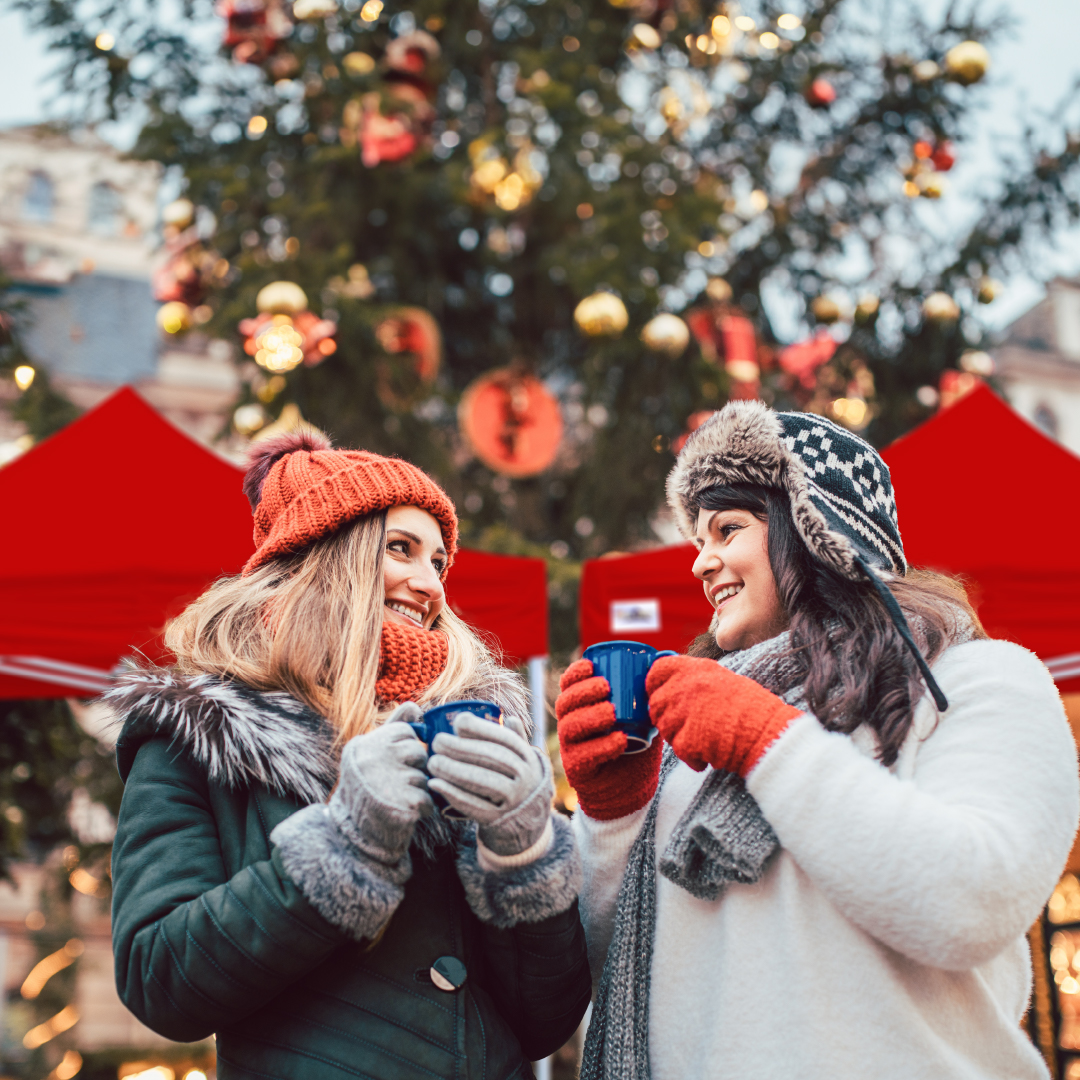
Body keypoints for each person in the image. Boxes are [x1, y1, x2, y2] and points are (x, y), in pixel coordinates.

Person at [557, 400, 1079, 1080]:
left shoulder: (978, 679)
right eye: (698, 542)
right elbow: (624, 968)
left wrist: (770, 743)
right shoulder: (703, 733)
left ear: (814, 530)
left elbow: (971, 901)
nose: (701, 563)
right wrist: (614, 815)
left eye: (727, 530)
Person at [106, 430, 590, 1080]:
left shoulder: (481, 732)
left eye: (439, 563)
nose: (429, 585)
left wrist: (524, 852)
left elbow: (544, 1023)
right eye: (401, 549)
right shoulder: (201, 733)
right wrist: (343, 847)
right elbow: (159, 980)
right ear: (327, 557)